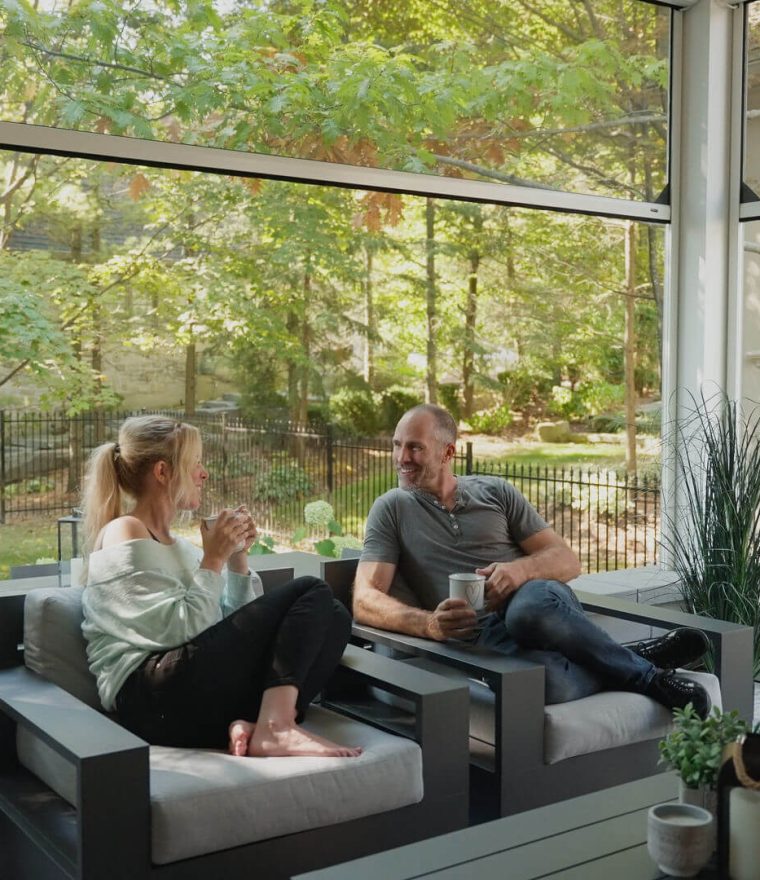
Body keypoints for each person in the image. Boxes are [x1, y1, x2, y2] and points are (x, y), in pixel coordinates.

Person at [353, 404, 711, 717]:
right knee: (549, 684)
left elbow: (567, 560)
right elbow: (364, 599)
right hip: (483, 637)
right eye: (397, 446)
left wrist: (518, 570)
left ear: (448, 453)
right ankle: (631, 657)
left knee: (528, 612)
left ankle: (648, 679)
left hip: (538, 604)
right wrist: (429, 624)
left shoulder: (495, 492)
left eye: (415, 447)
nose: (401, 458)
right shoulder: (392, 509)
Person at [80, 414, 361, 758]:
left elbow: (228, 628)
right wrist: (212, 560)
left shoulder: (180, 548)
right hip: (148, 697)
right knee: (311, 590)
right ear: (163, 472)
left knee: (334, 616)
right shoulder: (125, 530)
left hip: (190, 694)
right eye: (194, 463)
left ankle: (258, 724)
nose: (203, 473)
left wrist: (236, 559)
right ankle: (277, 727)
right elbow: (174, 633)